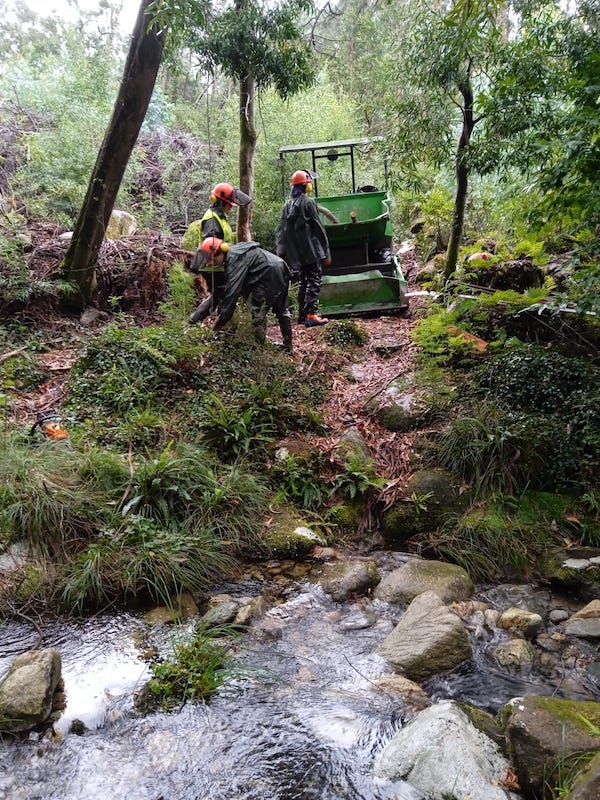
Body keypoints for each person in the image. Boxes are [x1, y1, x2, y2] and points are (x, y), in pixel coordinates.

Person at [194, 237, 293, 354]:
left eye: (213, 259)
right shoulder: (234, 254)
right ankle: (287, 346)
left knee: (256, 313)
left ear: (222, 252)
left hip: (267, 274)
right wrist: (194, 319)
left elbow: (232, 293)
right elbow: (218, 295)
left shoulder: (234, 260)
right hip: (279, 267)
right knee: (281, 309)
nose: (212, 263)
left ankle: (257, 350)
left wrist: (220, 321)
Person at [182, 182, 252, 324]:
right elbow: (210, 242)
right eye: (229, 204)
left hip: (218, 264)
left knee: (220, 295)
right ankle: (196, 322)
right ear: (221, 202)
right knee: (220, 295)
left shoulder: (219, 217)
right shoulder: (212, 219)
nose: (231, 207)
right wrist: (225, 248)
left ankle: (214, 324)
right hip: (212, 264)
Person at [275, 169, 332, 327]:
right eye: (309, 182)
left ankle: (302, 315)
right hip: (311, 251)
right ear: (305, 186)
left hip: (297, 254)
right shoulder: (308, 202)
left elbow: (281, 232)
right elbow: (318, 228)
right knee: (314, 280)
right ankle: (311, 314)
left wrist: (282, 253)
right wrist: (326, 251)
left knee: (304, 282)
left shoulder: (287, 206)